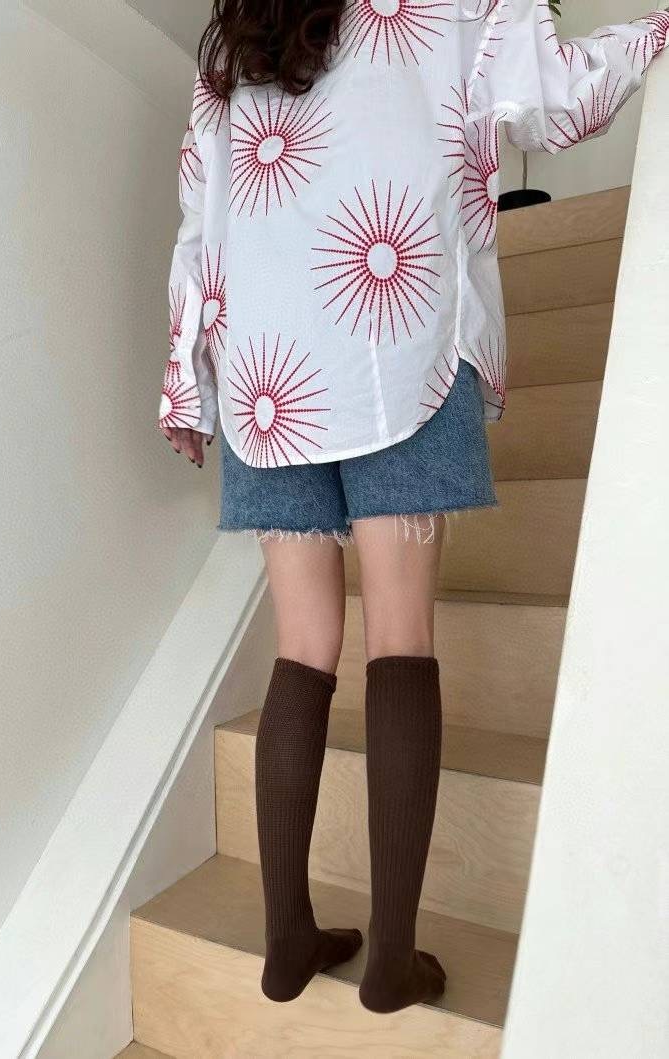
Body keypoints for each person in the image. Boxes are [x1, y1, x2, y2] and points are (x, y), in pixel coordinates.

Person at [159, 0, 669, 1014]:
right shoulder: (448, 8)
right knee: (399, 641)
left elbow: (197, 230)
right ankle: (391, 956)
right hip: (396, 354)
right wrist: (652, 30)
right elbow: (559, 101)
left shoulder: (236, 51)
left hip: (266, 381)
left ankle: (286, 937)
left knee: (302, 648)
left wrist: (185, 384)